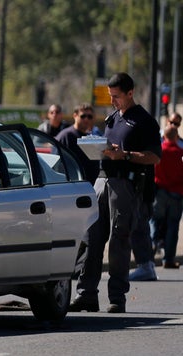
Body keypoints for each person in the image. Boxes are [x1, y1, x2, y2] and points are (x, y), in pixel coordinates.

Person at [69, 72, 161, 313]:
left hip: (125, 187)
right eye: (111, 96)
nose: (113, 101)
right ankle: (86, 294)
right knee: (91, 241)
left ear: (130, 93)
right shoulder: (111, 119)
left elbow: (154, 157)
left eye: (117, 96)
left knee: (120, 241)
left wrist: (126, 155)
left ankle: (117, 297)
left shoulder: (145, 121)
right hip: (101, 182)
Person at [149, 116, 183, 269]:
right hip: (177, 193)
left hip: (160, 192)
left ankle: (149, 255)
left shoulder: (159, 152)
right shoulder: (180, 153)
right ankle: (168, 259)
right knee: (172, 226)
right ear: (176, 136)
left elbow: (153, 171)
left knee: (155, 222)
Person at [55, 103, 100, 185]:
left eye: (89, 117)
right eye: (83, 116)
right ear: (75, 116)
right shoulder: (66, 136)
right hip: (72, 185)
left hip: (88, 185)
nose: (86, 119)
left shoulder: (90, 138)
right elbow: (57, 164)